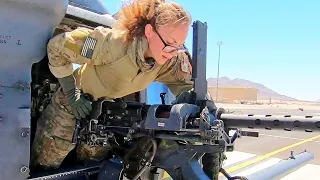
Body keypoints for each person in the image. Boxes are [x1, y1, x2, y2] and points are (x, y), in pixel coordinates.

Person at [30, 0, 224, 179]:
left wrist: (210, 114)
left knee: (91, 167)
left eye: (179, 45)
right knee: (46, 165)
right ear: (149, 31)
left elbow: (190, 85)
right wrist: (72, 94)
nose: (173, 51)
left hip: (104, 113)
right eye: (169, 43)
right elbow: (57, 47)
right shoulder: (112, 44)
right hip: (70, 104)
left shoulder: (167, 60)